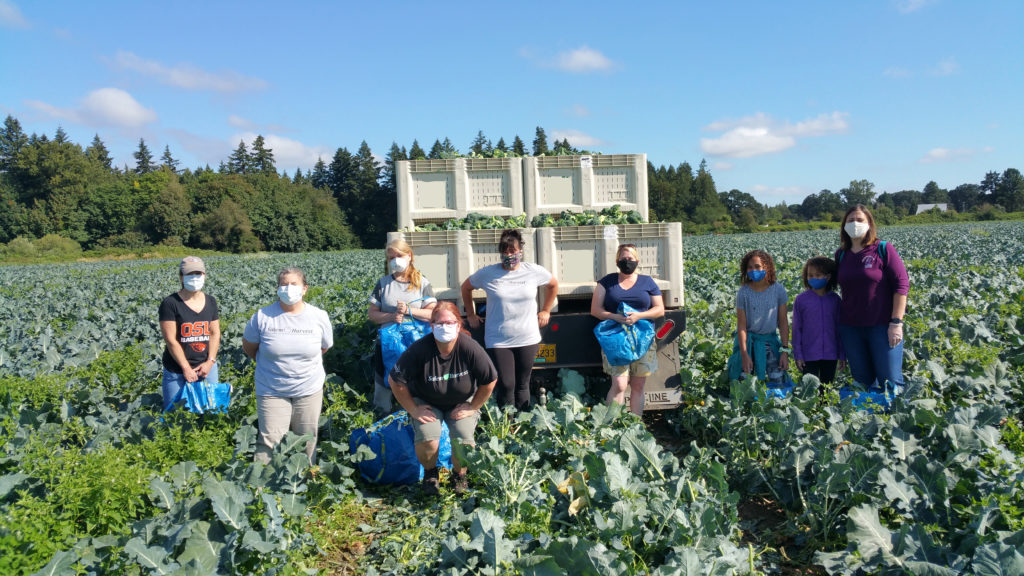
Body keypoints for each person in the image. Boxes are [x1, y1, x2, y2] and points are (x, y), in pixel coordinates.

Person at [389, 301, 497, 495]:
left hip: (461, 403)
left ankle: (459, 475)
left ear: (458, 325)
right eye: (439, 323)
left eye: (449, 323)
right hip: (427, 402)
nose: (444, 327)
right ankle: (431, 474)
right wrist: (413, 409)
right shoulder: (420, 349)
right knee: (428, 440)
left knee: (463, 440)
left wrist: (473, 407)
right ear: (431, 326)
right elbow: (395, 380)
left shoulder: (469, 348)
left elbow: (489, 380)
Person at [242, 267, 334, 465]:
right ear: (277, 288)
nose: (288, 289)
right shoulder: (262, 317)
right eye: (284, 284)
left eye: (294, 284)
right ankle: (262, 488)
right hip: (271, 389)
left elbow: (324, 347)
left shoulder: (319, 316)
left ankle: (303, 482)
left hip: (308, 388)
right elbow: (250, 348)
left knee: (307, 438)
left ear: (305, 289)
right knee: (269, 440)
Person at [461, 229, 558, 411]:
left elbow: (553, 285)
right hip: (498, 339)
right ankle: (507, 425)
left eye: (512, 251)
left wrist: (546, 310)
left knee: (523, 383)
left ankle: (523, 426)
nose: (508, 256)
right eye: (504, 252)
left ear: (520, 251)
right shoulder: (488, 273)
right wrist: (471, 314)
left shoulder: (533, 271)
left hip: (527, 336)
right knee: (506, 383)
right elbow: (466, 288)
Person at [835, 205, 909, 390]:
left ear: (869, 224)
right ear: (844, 225)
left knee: (890, 381)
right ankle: (869, 418)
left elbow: (901, 285)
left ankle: (895, 418)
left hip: (882, 326)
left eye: (860, 220)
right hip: (851, 328)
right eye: (850, 220)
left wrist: (896, 322)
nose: (855, 224)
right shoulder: (841, 254)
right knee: (862, 381)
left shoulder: (882, 249)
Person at [589, 243, 665, 415]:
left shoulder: (647, 282)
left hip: (642, 339)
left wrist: (639, 316)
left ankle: (635, 423)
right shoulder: (606, 282)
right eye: (623, 259)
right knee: (619, 384)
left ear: (637, 261)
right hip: (616, 339)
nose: (627, 262)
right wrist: (616, 317)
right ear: (617, 261)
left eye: (630, 259)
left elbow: (659, 309)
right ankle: (611, 425)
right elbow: (595, 310)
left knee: (638, 385)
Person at [368, 239, 437, 416]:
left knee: (416, 383)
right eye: (391, 257)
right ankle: (383, 418)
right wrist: (391, 316)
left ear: (409, 256)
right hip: (388, 343)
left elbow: (432, 314)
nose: (395, 260)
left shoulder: (422, 283)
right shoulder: (383, 284)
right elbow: (372, 314)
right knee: (385, 384)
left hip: (416, 342)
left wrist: (409, 310)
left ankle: (416, 415)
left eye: (398, 256)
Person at [159, 256, 221, 411]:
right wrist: (185, 368)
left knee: (210, 413)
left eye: (198, 273)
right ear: (181, 276)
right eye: (189, 274)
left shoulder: (211, 301)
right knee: (176, 416)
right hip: (177, 371)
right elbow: (171, 340)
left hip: (207, 369)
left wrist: (210, 362)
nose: (195, 278)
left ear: (204, 275)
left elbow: (214, 333)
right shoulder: (170, 303)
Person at [727, 249, 791, 382]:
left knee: (778, 383)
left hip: (770, 343)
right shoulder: (743, 293)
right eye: (750, 267)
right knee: (745, 385)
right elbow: (742, 326)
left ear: (767, 267)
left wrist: (785, 351)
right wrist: (744, 355)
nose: (753, 270)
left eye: (757, 267)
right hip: (749, 344)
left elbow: (783, 323)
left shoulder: (778, 290)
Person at [792, 256, 844, 385]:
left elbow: (841, 329)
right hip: (809, 354)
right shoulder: (801, 300)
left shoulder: (835, 300)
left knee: (826, 390)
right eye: (810, 275)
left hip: (831, 354)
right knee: (809, 392)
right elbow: (796, 329)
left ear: (828, 277)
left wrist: (842, 354)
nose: (813, 278)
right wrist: (798, 354)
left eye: (818, 275)